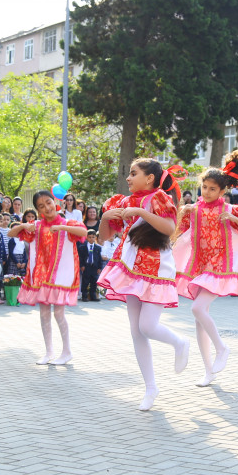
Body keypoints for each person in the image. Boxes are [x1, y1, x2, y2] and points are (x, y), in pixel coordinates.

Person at [98, 158, 190, 411]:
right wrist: (105, 217)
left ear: (149, 178)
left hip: (156, 267)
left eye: (133, 173)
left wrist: (140, 213)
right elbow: (104, 236)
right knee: (136, 331)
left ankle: (180, 343)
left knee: (148, 326)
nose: (128, 178)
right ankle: (150, 387)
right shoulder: (123, 202)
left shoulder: (159, 198)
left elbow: (169, 227)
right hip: (129, 267)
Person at [173, 150, 238, 387]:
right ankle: (209, 371)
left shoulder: (230, 210)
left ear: (222, 191)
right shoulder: (194, 209)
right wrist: (182, 212)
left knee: (198, 309)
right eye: (204, 187)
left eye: (212, 189)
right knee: (199, 319)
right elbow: (178, 232)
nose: (207, 192)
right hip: (200, 267)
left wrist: (235, 221)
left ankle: (222, 348)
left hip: (219, 268)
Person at [10, 190, 87, 365]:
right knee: (44, 314)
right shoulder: (36, 226)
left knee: (59, 313)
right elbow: (11, 234)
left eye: (48, 202)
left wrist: (62, 227)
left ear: (55, 202)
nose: (47, 207)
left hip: (60, 276)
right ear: (38, 210)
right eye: (41, 206)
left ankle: (66, 351)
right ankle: (48, 352)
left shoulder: (68, 222)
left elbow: (83, 232)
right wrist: (23, 226)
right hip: (42, 277)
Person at [78, 230, 104, 302]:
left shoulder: (98, 248)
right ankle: (84, 296)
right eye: (89, 237)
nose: (91, 239)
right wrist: (82, 265)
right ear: (86, 237)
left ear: (95, 237)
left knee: (94, 282)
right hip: (86, 266)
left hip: (94, 267)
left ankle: (93, 296)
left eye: (93, 237)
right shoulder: (82, 247)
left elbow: (99, 258)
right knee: (85, 281)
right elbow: (81, 257)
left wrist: (99, 267)